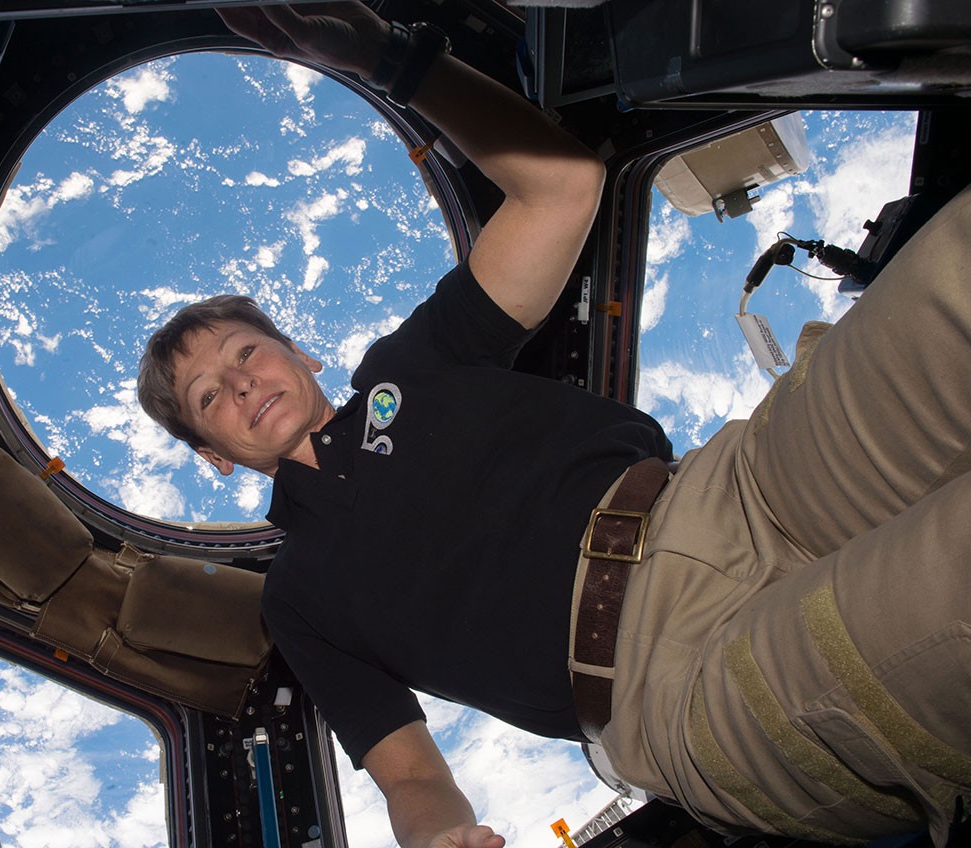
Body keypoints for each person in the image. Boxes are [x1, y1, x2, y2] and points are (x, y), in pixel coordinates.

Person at [137, 5, 971, 848]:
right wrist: (436, 838)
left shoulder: (409, 366)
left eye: (247, 352)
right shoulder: (299, 597)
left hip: (747, 486)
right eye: (209, 397)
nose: (241, 383)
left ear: (302, 355)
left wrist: (385, 55)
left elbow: (563, 186)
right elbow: (414, 774)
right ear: (213, 456)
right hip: (671, 684)